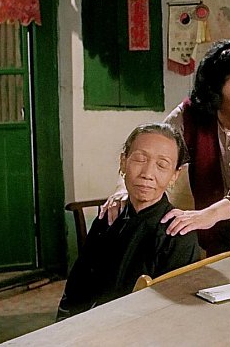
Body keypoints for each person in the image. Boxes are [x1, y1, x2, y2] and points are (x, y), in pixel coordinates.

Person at [101, 40, 230, 256]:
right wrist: (123, 189)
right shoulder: (189, 114)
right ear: (215, 92)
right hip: (218, 230)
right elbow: (152, 147)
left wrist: (211, 214)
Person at [56, 123, 201, 320]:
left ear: (175, 175)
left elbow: (172, 312)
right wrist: (65, 325)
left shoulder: (177, 232)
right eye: (140, 159)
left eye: (162, 165)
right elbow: (77, 285)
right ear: (123, 162)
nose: (147, 174)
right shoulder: (108, 217)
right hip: (90, 326)